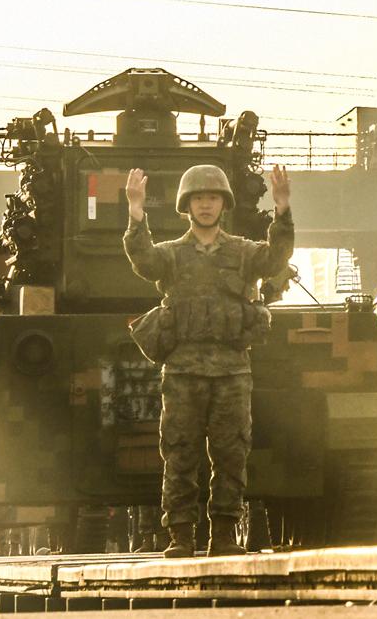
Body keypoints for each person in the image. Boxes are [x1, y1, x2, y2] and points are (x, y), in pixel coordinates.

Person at [123, 163, 293, 557]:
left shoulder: (244, 252)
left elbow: (276, 258)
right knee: (179, 451)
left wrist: (282, 210)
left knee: (231, 452)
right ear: (186, 205)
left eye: (212, 197)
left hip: (232, 370)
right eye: (198, 198)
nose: (205, 205)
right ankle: (181, 535)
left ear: (223, 204)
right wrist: (136, 213)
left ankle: (224, 534)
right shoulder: (171, 255)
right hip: (182, 371)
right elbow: (142, 260)